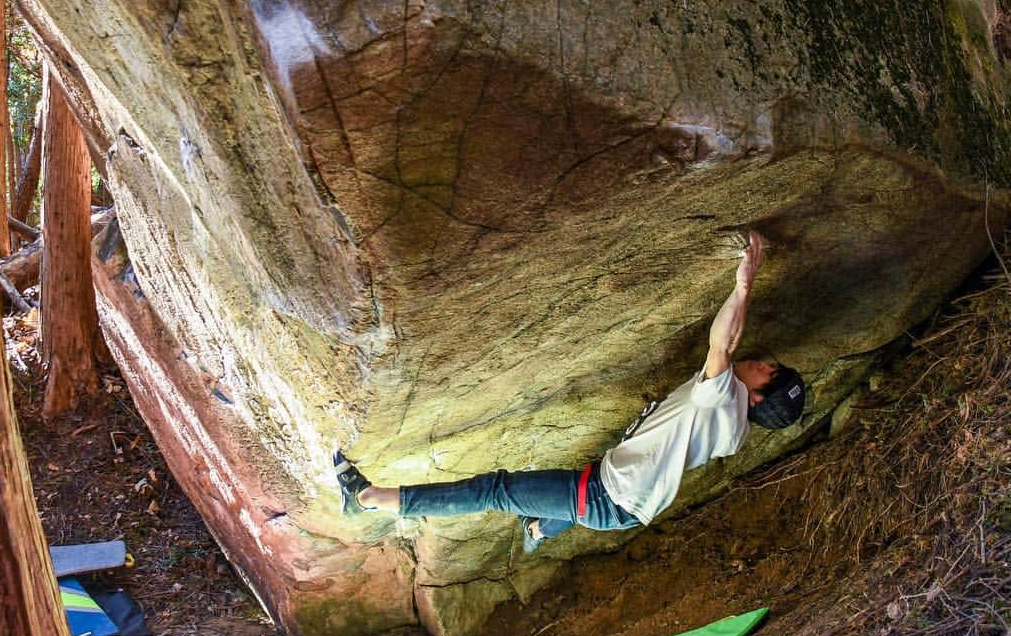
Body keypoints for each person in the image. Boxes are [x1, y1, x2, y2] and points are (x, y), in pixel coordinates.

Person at [335, 231, 805, 551]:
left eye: (769, 374)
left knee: (495, 490)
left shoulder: (724, 399)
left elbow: (722, 342)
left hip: (605, 495)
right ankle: (539, 528)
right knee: (577, 487)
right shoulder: (736, 429)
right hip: (622, 499)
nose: (763, 364)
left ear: (758, 398)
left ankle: (368, 500)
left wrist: (743, 284)